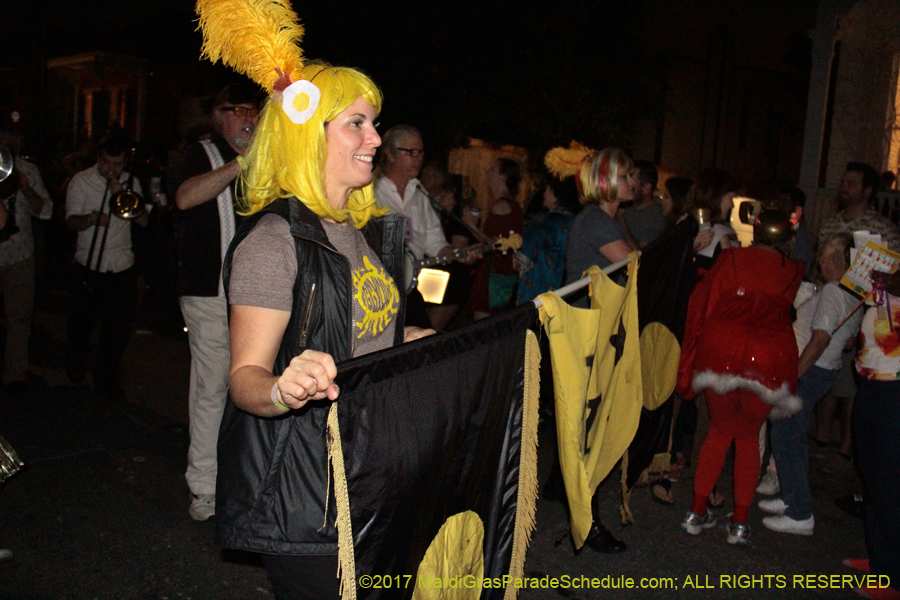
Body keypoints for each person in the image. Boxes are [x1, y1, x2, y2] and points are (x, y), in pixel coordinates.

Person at [215, 62, 432, 599]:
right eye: (356, 123)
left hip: (374, 469)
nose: (375, 138)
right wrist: (282, 389)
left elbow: (359, 338)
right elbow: (244, 378)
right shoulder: (274, 241)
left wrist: (404, 344)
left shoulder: (366, 233)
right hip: (308, 488)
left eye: (374, 124)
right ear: (307, 135)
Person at [677, 208, 804, 546]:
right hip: (768, 359)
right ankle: (741, 523)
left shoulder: (731, 259)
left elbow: (706, 302)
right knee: (748, 438)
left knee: (718, 433)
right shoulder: (792, 271)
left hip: (722, 352)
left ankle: (695, 512)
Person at [167, 83, 260, 522]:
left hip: (254, 292)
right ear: (219, 115)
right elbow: (184, 197)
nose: (249, 119)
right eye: (238, 111)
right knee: (212, 388)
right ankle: (203, 487)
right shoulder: (202, 152)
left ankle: (243, 478)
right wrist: (241, 163)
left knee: (254, 383)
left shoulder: (265, 158)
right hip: (208, 290)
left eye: (253, 112)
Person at [761, 233, 863, 536]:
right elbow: (847, 344)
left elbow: (820, 340)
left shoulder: (833, 290)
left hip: (810, 370)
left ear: (835, 260)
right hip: (823, 371)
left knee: (787, 435)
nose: (820, 261)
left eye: (824, 255)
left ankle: (800, 512)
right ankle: (793, 498)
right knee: (791, 435)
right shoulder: (853, 295)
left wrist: (794, 374)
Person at [65, 135, 147, 397]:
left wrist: (123, 194)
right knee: (82, 323)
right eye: (108, 163)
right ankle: (75, 363)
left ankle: (106, 379)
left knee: (117, 329)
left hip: (121, 265)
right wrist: (90, 218)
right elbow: (70, 222)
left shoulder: (130, 182)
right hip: (89, 264)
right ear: (99, 159)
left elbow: (144, 221)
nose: (113, 170)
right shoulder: (81, 181)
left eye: (118, 164)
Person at [845, 270, 900, 600]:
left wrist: (886, 279)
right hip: (872, 383)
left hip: (894, 388)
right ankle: (881, 560)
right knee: (871, 471)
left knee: (889, 479)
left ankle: (892, 576)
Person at [0, 116, 52, 396]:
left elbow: (45, 211)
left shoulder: (28, 170)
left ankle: (15, 374)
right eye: (6, 135)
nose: (11, 141)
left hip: (20, 253)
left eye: (15, 136)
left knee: (19, 317)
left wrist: (26, 188)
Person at [563, 148, 636, 308]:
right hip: (586, 319)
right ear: (605, 181)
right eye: (625, 177)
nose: (632, 182)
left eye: (631, 176)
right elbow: (636, 267)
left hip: (595, 315)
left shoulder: (605, 218)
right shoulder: (596, 220)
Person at [465, 158, 524, 319]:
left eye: (493, 170)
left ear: (503, 177)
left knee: (483, 325)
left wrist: (471, 225)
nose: (488, 173)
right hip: (505, 274)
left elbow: (492, 245)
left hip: (493, 275)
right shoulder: (514, 205)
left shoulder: (500, 206)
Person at [516, 177, 579, 304]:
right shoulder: (578, 222)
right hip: (569, 296)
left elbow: (522, 261)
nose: (544, 193)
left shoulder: (543, 221)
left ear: (556, 195)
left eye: (548, 189)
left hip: (539, 296)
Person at [818, 162, 900, 253]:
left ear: (867, 191)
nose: (843, 187)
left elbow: (894, 265)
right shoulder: (830, 226)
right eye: (842, 182)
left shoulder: (883, 230)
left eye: (851, 183)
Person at [688, 168, 739, 269]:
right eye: (730, 198)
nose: (732, 205)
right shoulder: (719, 236)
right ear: (718, 197)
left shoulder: (687, 225)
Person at [621, 160, 666, 248]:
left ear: (646, 188)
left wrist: (621, 220)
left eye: (632, 180)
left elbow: (641, 253)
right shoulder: (625, 207)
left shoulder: (656, 217)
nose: (628, 184)